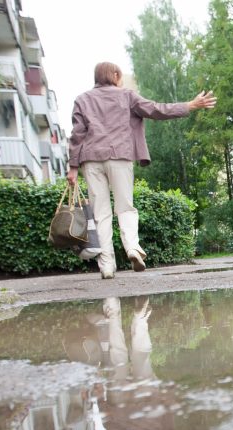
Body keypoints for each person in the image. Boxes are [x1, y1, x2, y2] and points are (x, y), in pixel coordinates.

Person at [67, 62, 216, 279]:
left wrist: (72, 168)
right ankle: (133, 248)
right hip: (120, 157)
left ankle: (107, 265)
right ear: (115, 75)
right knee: (125, 207)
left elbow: (77, 134)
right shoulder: (127, 96)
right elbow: (156, 109)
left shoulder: (82, 99)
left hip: (91, 160)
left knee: (101, 213)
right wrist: (190, 105)